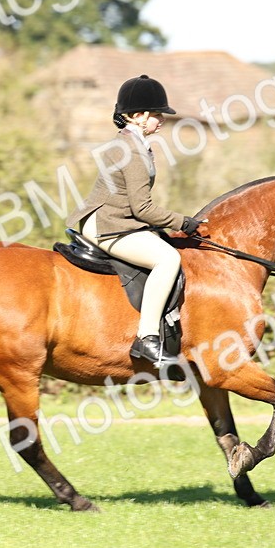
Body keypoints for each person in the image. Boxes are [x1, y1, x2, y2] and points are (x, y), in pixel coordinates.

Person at [66, 74, 203, 364]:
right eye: (156, 114)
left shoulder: (129, 142)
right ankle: (148, 338)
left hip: (112, 217)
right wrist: (182, 222)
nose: (161, 120)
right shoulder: (132, 150)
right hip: (110, 224)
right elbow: (142, 208)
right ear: (136, 116)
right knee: (168, 260)